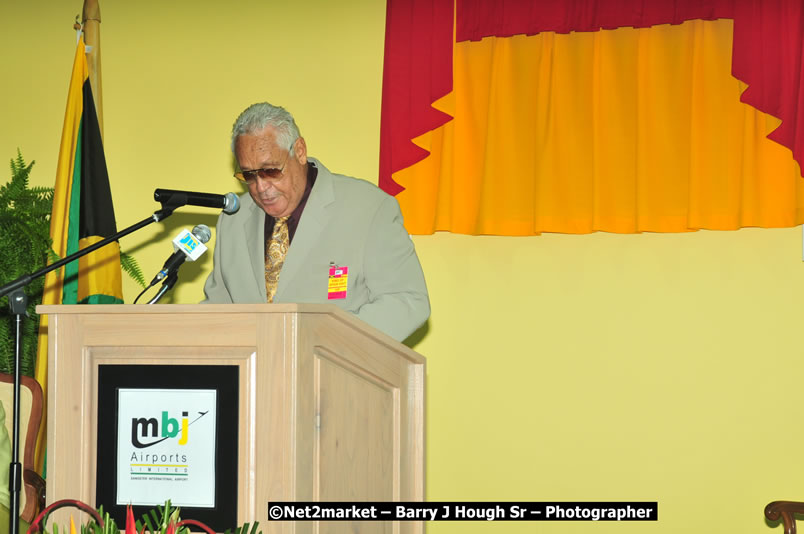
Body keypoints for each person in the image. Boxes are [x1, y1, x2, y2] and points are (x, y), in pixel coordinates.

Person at [202, 103, 430, 342]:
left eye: (270, 170)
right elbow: (217, 310)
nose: (261, 187)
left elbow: (407, 301)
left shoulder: (368, 208)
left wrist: (322, 342)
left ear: (299, 151)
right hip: (253, 376)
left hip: (337, 370)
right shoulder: (233, 221)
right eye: (249, 175)